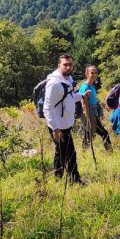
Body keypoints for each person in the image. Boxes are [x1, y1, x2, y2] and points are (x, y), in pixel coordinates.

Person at [43, 54, 83, 183]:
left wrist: (82, 96)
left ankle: (62, 179)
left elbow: (68, 97)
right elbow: (47, 107)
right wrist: (55, 129)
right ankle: (71, 179)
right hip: (57, 125)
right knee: (66, 153)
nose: (68, 67)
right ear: (59, 65)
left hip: (66, 124)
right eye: (65, 65)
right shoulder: (54, 83)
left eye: (70, 64)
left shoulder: (68, 79)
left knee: (63, 152)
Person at [79, 65, 112, 151]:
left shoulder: (92, 86)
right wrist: (88, 117)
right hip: (88, 113)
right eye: (92, 73)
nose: (94, 75)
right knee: (96, 134)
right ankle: (109, 152)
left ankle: (85, 152)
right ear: (87, 74)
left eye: (96, 73)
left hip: (93, 112)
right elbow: (84, 103)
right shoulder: (85, 86)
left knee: (91, 135)